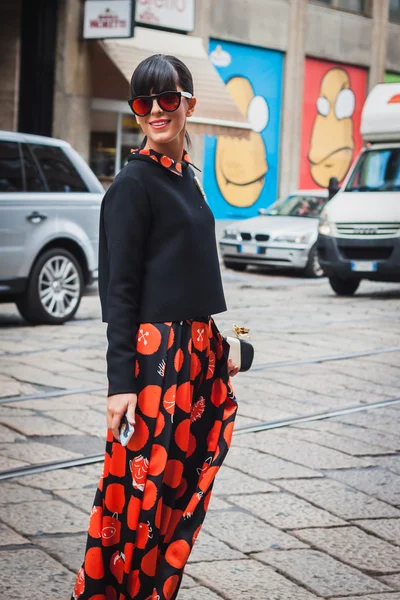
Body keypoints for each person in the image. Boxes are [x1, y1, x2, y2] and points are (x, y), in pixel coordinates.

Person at [71, 54, 239, 600]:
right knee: (139, 502)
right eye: (144, 103)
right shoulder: (132, 185)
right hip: (155, 364)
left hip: (193, 355)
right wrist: (120, 382)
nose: (156, 111)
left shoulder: (186, 178)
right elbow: (118, 291)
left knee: (178, 492)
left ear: (190, 102)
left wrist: (226, 344)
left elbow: (187, 272)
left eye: (168, 99)